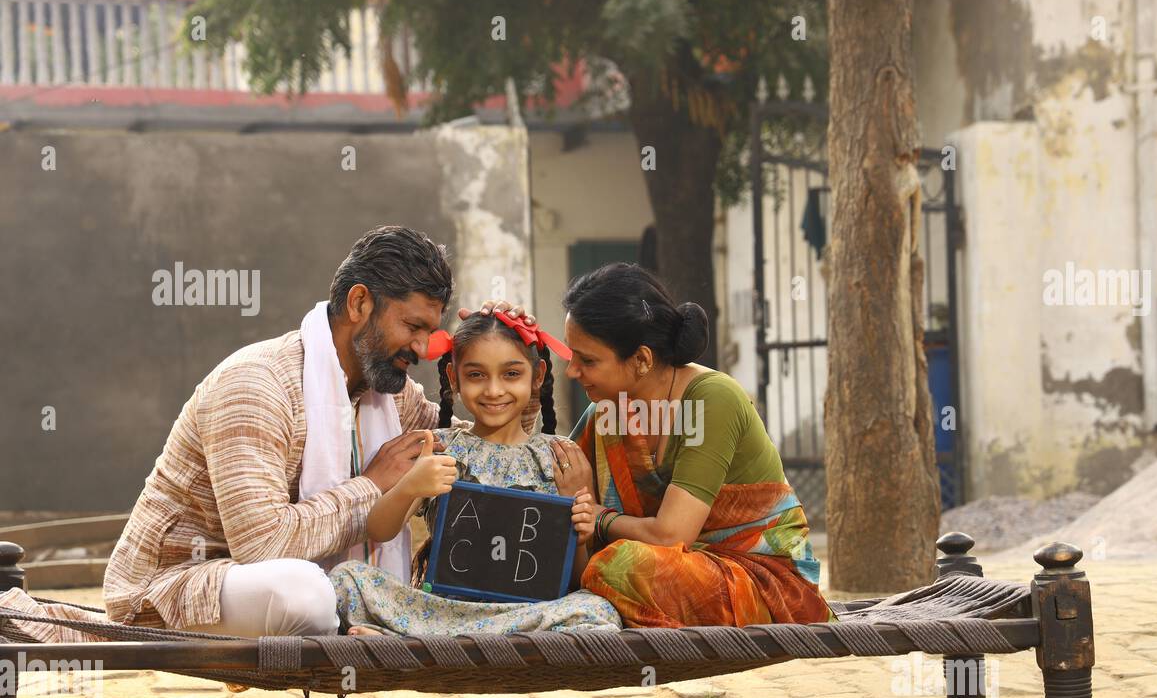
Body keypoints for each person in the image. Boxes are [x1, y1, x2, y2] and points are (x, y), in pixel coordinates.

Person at [101, 225, 539, 637]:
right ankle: (348, 619)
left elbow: (481, 450)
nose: (423, 349)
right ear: (359, 304)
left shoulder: (390, 391)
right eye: (412, 327)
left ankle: (354, 620)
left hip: (269, 589)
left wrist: (510, 348)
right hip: (174, 589)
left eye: (431, 330)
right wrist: (372, 484)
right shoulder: (257, 384)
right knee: (304, 594)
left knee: (313, 590)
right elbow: (263, 546)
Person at [551, 262, 834, 629]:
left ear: (641, 359)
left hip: (759, 580)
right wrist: (506, 343)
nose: (572, 372)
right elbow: (549, 481)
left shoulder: (712, 399)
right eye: (572, 357)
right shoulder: (606, 414)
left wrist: (598, 517)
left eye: (587, 360)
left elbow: (671, 535)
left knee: (620, 565)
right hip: (676, 572)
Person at [329, 310, 619, 635]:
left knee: (597, 610)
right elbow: (379, 529)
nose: (494, 390)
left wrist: (580, 534)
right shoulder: (441, 448)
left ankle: (414, 643)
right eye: (477, 375)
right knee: (346, 579)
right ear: (454, 378)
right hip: (443, 610)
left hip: (529, 611)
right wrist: (411, 486)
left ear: (537, 376)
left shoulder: (560, 458)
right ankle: (452, 641)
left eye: (511, 374)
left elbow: (577, 577)